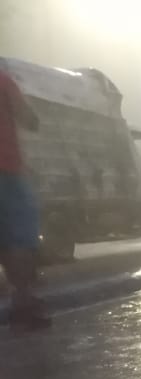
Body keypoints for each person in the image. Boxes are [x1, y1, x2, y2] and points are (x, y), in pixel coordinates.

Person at [0, 68, 49, 329]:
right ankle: (22, 301)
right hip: (5, 169)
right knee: (20, 236)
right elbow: (30, 120)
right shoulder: (3, 81)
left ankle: (19, 302)